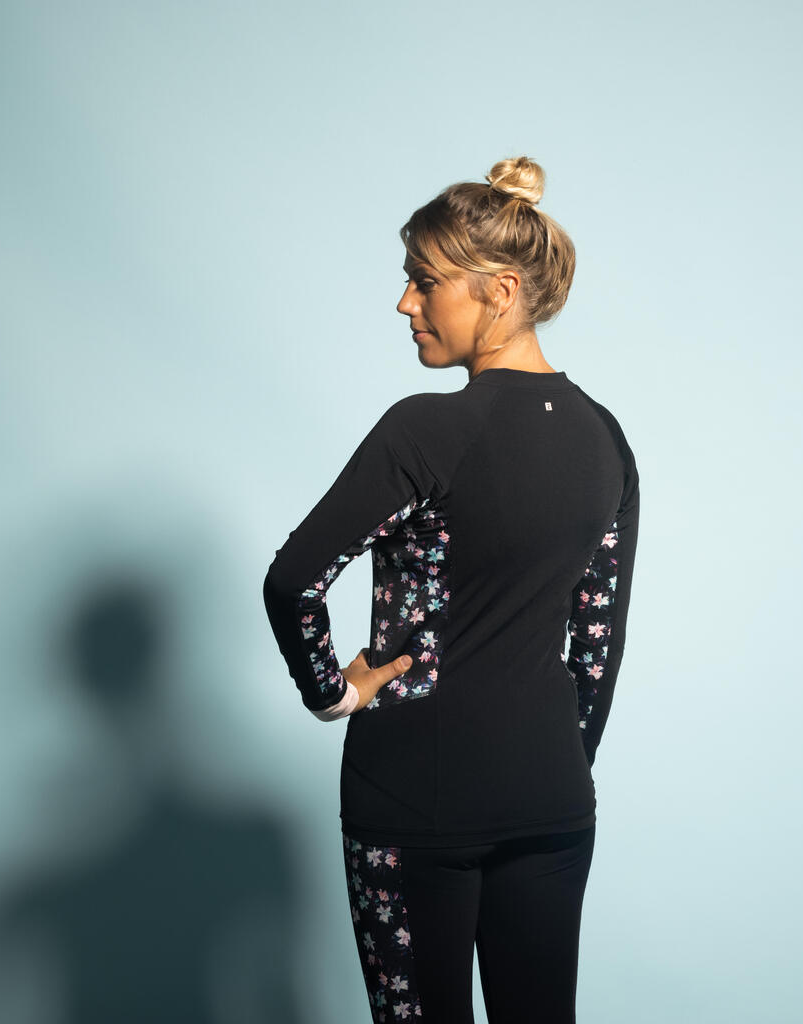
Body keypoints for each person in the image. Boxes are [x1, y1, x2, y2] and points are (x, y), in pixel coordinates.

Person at [263, 156, 640, 1024]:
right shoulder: (604, 439)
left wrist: (333, 692)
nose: (406, 303)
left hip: (414, 803)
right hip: (550, 800)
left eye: (424, 282)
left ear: (500, 291)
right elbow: (598, 645)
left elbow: (295, 582)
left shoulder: (427, 430)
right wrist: (551, 763)